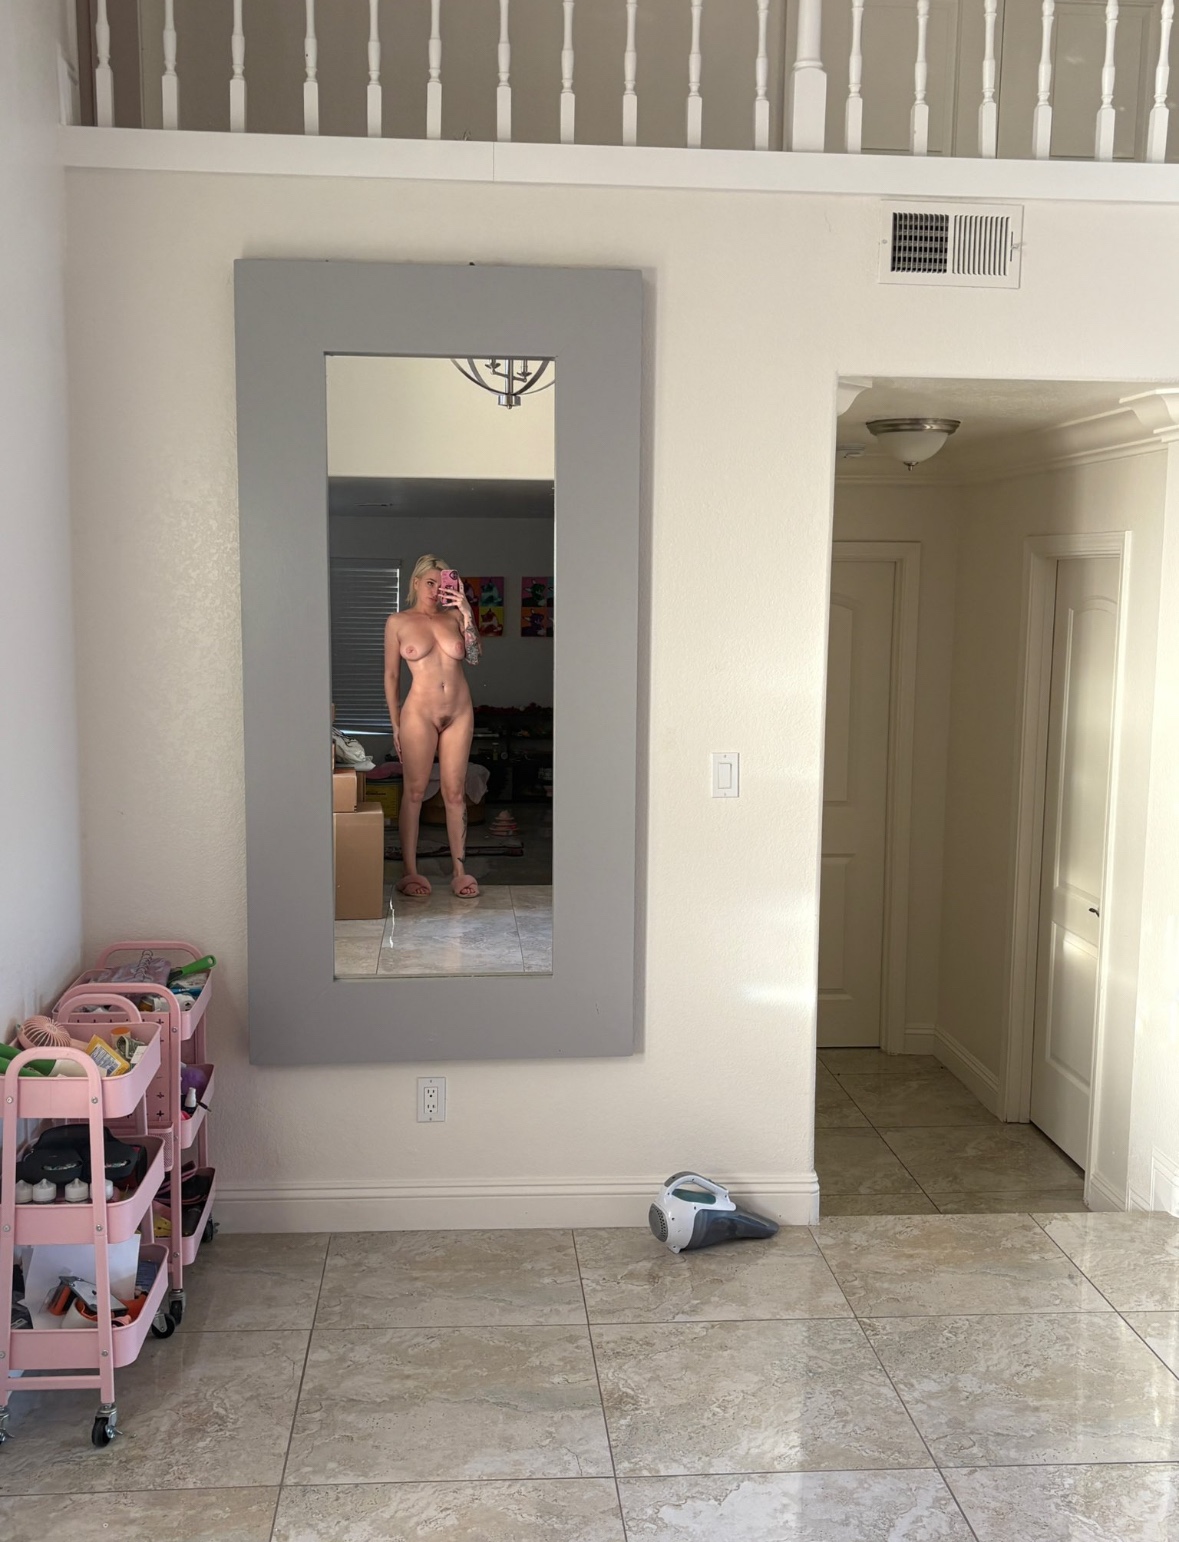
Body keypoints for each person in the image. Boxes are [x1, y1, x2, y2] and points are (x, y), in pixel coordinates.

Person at [384, 554, 482, 898]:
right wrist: (396, 724)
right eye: (430, 582)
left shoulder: (455, 617)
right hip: (419, 713)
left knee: (455, 793)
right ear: (415, 582)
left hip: (459, 711)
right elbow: (391, 675)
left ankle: (459, 871)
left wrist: (467, 612)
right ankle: (410, 872)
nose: (436, 590)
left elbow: (475, 657)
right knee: (414, 792)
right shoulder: (398, 622)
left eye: (442, 584)